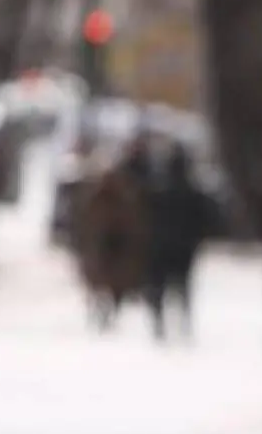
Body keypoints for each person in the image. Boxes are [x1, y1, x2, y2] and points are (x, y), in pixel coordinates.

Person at [72, 141, 149, 332]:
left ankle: (109, 309)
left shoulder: (121, 196)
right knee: (100, 281)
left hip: (115, 245)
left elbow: (132, 221)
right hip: (101, 245)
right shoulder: (97, 196)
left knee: (111, 281)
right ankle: (101, 309)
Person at [144, 144, 211, 342]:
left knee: (161, 287)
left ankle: (162, 324)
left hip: (164, 245)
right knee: (181, 287)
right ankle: (181, 323)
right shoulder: (192, 191)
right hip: (182, 246)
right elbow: (204, 219)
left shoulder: (158, 190)